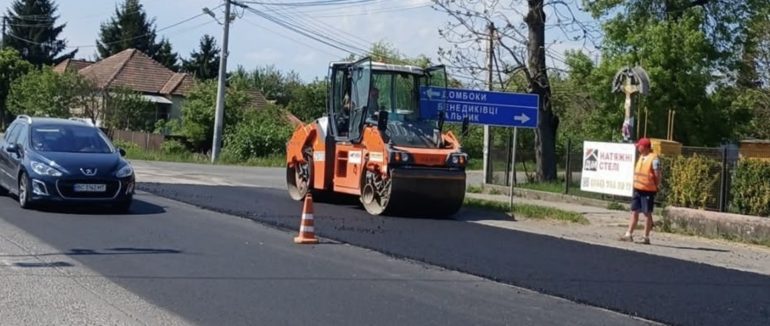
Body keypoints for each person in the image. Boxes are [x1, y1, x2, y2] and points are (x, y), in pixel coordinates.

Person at [619, 137, 661, 245]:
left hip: (648, 190)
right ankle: (628, 234)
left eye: (639, 146)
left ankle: (646, 237)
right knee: (634, 211)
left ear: (645, 147)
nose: (638, 148)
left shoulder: (654, 159)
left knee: (647, 213)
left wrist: (657, 185)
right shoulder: (641, 157)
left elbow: (657, 175)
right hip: (637, 189)